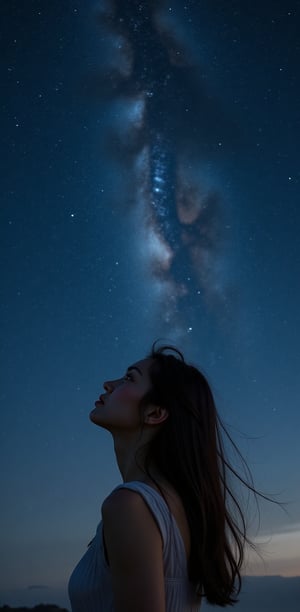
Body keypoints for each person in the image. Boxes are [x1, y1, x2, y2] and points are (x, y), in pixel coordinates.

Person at [68, 344, 264, 611]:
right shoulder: (179, 504)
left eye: (129, 378)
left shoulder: (129, 506)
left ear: (155, 413)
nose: (108, 384)